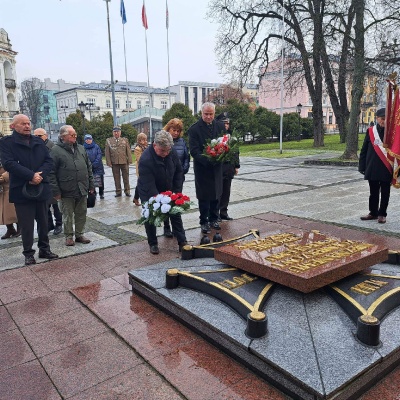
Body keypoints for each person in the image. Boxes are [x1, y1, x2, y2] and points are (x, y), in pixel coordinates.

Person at [0, 114, 58, 265]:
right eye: (23, 124)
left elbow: (48, 161)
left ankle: (44, 249)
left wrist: (40, 175)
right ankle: (28, 253)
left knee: (44, 222)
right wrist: (30, 175)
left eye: (28, 123)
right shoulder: (6, 143)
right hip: (22, 190)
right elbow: (9, 164)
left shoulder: (38, 141)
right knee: (26, 225)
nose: (27, 126)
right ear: (13, 126)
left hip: (41, 187)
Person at [137, 130, 187, 255]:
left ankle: (182, 242)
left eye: (167, 150)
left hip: (168, 186)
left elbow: (179, 173)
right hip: (148, 189)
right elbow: (149, 184)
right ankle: (153, 243)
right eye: (162, 151)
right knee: (150, 215)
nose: (165, 154)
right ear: (154, 145)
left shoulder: (171, 152)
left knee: (175, 213)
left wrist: (176, 193)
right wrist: (159, 201)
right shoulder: (145, 159)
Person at [49, 125, 94, 246]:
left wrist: (91, 185)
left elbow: (88, 166)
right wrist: (56, 192)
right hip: (65, 190)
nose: (75, 137)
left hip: (81, 187)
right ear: (63, 137)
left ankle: (79, 234)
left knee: (81, 213)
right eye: (72, 135)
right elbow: (51, 173)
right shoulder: (55, 151)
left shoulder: (81, 148)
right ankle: (69, 236)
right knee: (67, 214)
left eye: (75, 134)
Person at [188, 102, 224, 234]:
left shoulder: (220, 125)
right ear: (201, 113)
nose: (209, 117)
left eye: (211, 114)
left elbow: (225, 143)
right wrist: (208, 159)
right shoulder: (194, 129)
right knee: (204, 196)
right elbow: (194, 151)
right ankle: (204, 221)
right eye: (206, 114)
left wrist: (221, 156)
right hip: (203, 168)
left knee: (216, 193)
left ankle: (214, 218)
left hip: (216, 167)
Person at [359, 108, 391, 224]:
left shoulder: (392, 132)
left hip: (386, 166)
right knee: (373, 192)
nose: (384, 121)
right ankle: (373, 212)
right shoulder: (371, 131)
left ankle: (382, 214)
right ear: (377, 119)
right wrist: (362, 166)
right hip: (372, 166)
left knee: (385, 192)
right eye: (382, 119)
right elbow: (364, 149)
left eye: (386, 119)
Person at [163, 118, 190, 238]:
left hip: (178, 178)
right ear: (168, 129)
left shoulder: (182, 142)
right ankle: (166, 226)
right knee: (165, 202)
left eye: (178, 131)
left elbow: (186, 158)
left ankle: (176, 227)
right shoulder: (163, 141)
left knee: (176, 201)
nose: (176, 133)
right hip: (165, 178)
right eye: (174, 130)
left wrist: (183, 170)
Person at [34, 128, 63, 235]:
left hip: (52, 180)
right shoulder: (34, 147)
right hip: (41, 180)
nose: (37, 138)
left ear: (45, 136)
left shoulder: (53, 148)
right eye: (35, 136)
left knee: (56, 205)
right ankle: (49, 225)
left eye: (39, 136)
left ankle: (59, 224)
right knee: (45, 205)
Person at [218, 118, 240, 221]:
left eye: (227, 123)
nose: (226, 125)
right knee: (218, 191)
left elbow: (236, 152)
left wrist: (236, 166)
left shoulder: (232, 137)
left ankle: (223, 212)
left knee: (226, 191)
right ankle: (215, 214)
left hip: (229, 167)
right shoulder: (216, 136)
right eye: (224, 123)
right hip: (219, 167)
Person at [0, 133, 20, 239]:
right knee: (3, 211)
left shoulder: (7, 147)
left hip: (8, 183)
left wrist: (4, 177)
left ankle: (19, 227)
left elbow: (14, 164)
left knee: (13, 208)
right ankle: (10, 229)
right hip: (1, 188)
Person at [105, 126, 132, 197]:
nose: (116, 133)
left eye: (118, 131)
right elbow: (107, 153)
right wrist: (109, 162)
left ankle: (127, 191)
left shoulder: (125, 140)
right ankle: (118, 192)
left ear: (120, 132)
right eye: (115, 132)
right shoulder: (109, 141)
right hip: (115, 162)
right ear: (113, 133)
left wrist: (129, 160)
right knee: (116, 178)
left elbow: (128, 151)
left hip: (124, 162)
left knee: (126, 177)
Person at [84, 134, 105, 199]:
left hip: (98, 167)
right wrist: (89, 165)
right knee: (91, 181)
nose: (88, 140)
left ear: (92, 139)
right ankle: (94, 193)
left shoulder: (96, 146)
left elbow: (99, 155)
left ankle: (101, 193)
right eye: (86, 139)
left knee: (100, 181)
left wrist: (94, 164)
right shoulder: (83, 147)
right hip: (89, 168)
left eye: (89, 139)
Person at [133, 132, 148, 207]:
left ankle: (136, 198)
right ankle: (136, 198)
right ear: (139, 140)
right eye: (144, 140)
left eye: (146, 139)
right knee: (140, 184)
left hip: (147, 168)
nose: (146, 141)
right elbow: (140, 159)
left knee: (142, 184)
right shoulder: (137, 149)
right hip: (141, 169)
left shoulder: (146, 147)